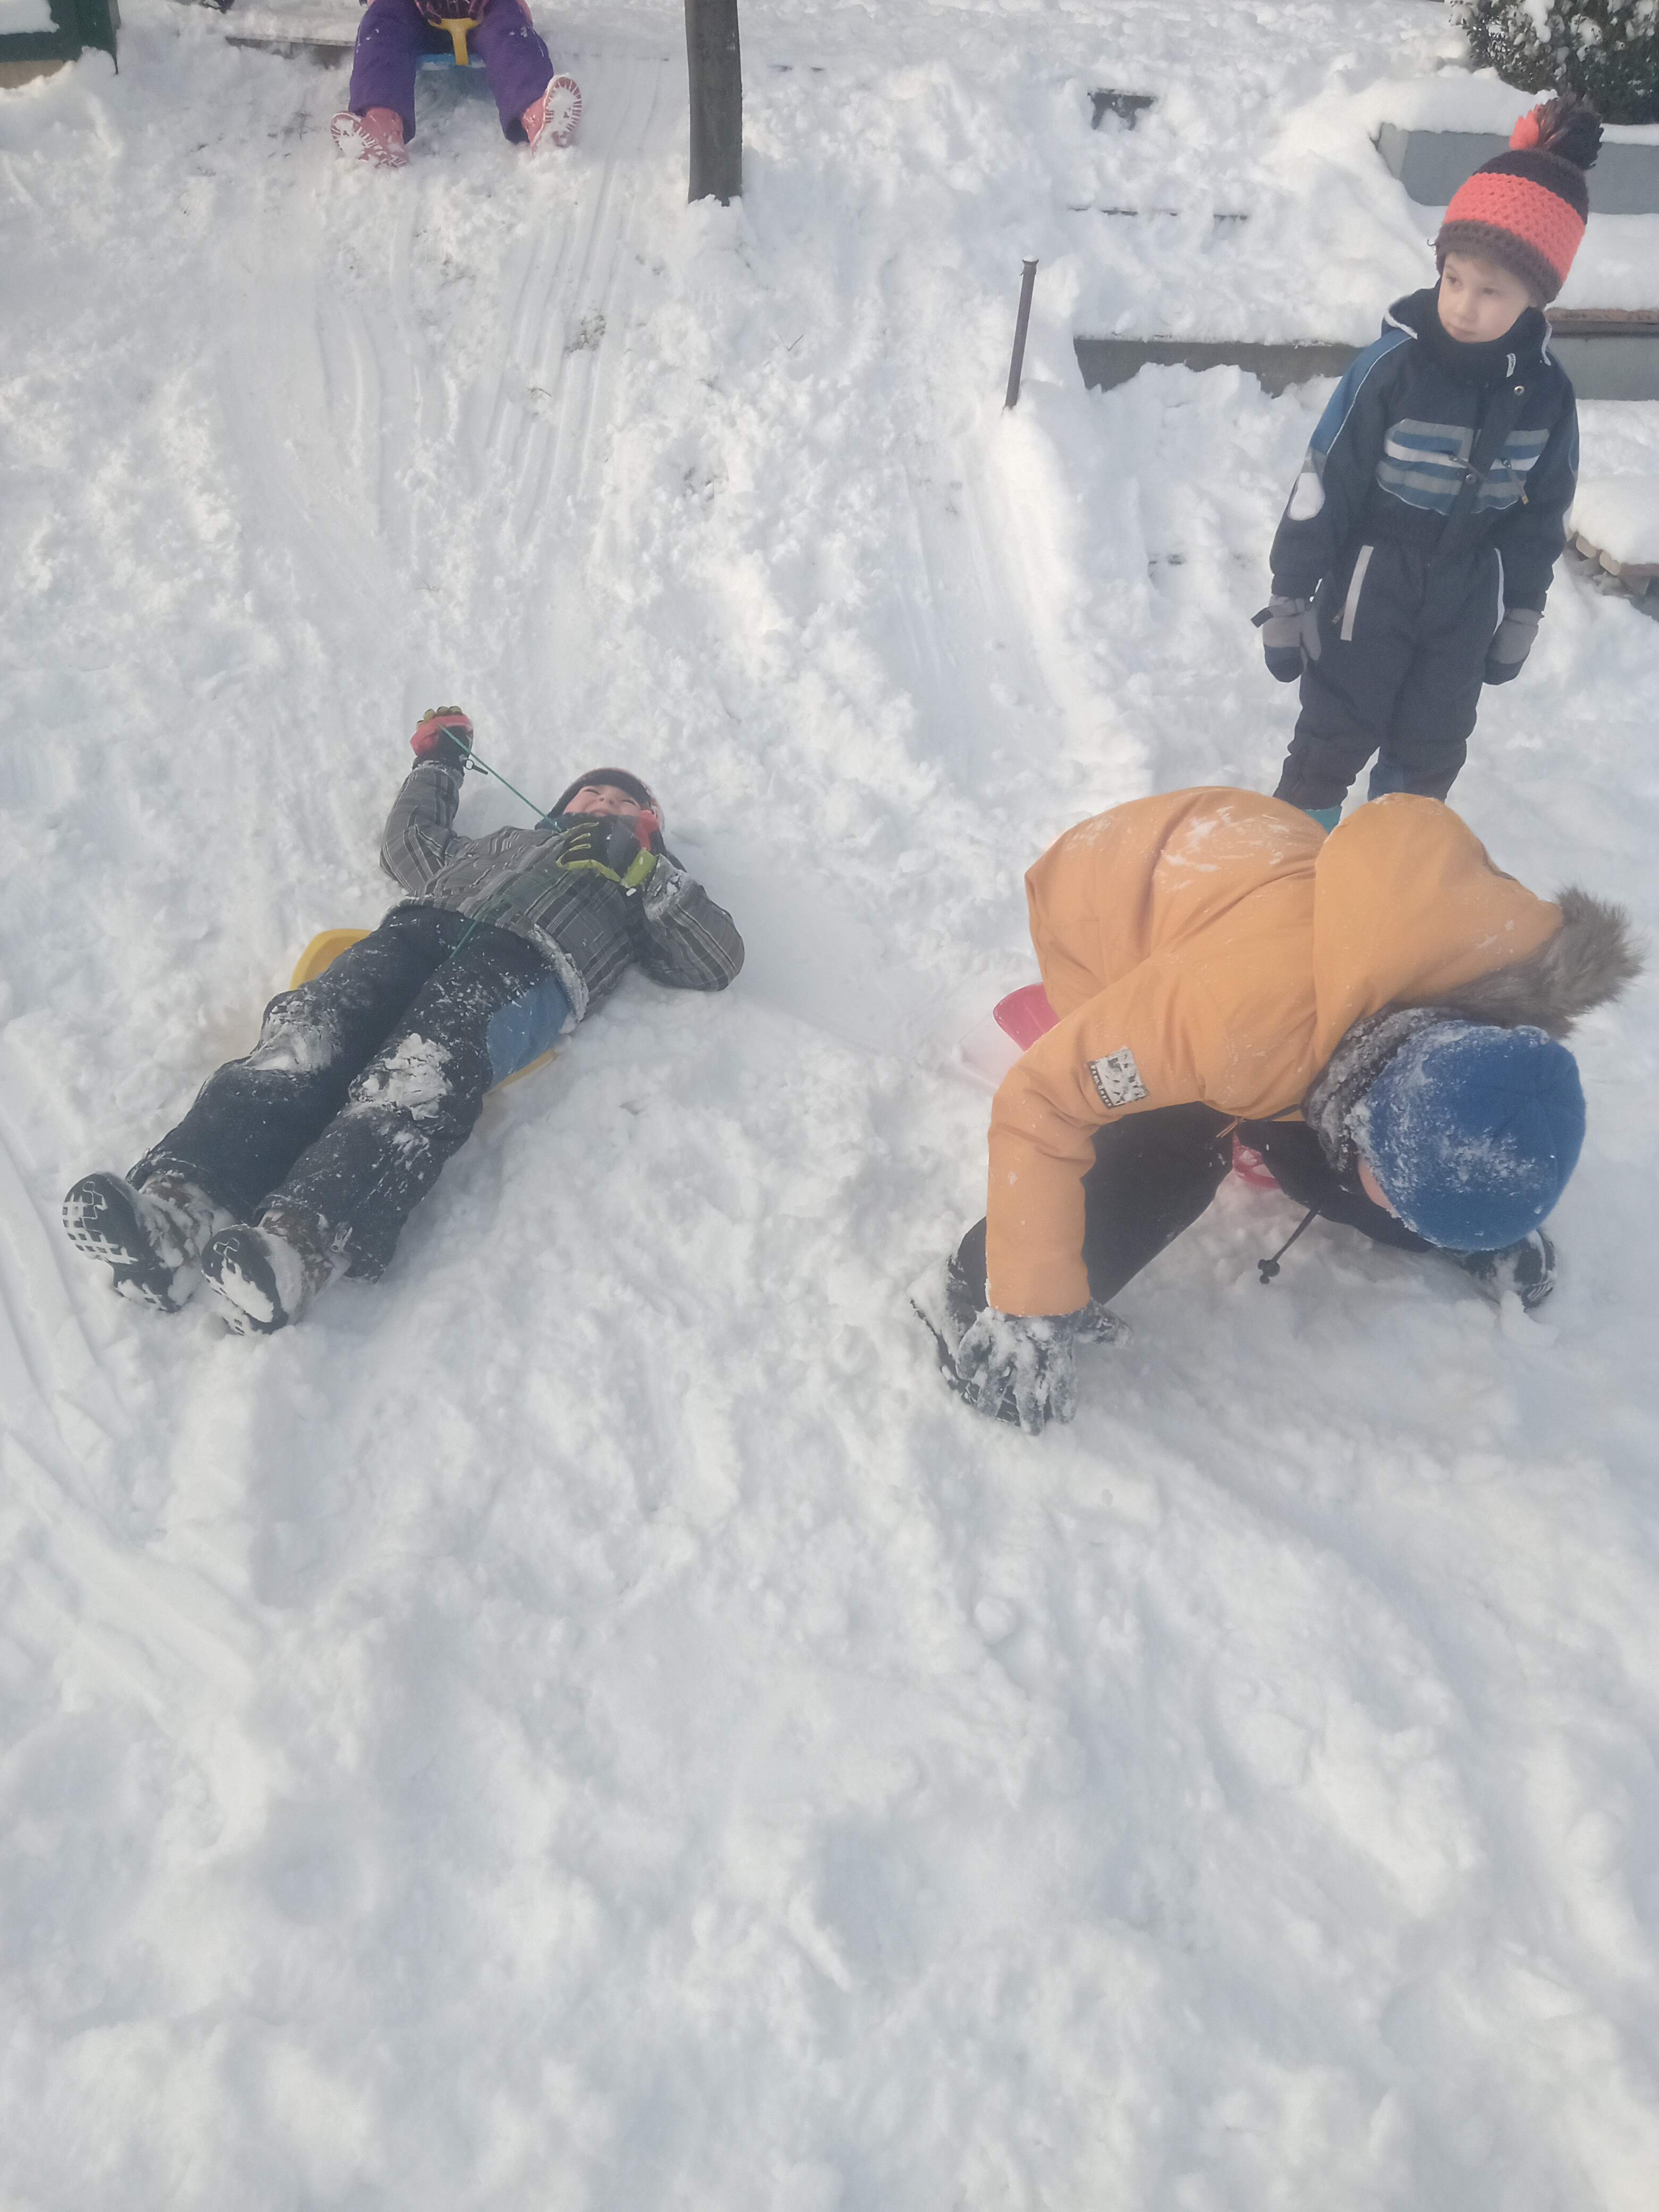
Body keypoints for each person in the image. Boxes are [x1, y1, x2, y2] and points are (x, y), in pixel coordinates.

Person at [920, 787, 1638, 1435]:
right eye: (1405, 1201)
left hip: (1264, 878)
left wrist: (1469, 1192)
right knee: (1175, 1155)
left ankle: (1430, 1197)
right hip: (1110, 896)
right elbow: (1044, 1097)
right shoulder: (1229, 1026)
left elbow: (1468, 1112)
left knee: (1320, 1154)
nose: (1398, 1210)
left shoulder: (1499, 982)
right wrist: (1030, 1297)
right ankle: (971, 1291)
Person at [62, 711, 743, 1335]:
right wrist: (439, 763)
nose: (605, 804)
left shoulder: (637, 887)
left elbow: (714, 961)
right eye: (592, 794)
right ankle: (178, 1211)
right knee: (307, 1037)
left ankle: (300, 1244)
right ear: (562, 808)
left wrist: (648, 876)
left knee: (421, 1071)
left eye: (626, 803)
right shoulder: (505, 842)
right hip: (414, 933)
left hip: (526, 967)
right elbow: (409, 845)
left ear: (649, 826)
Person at [1258, 96, 1600, 830]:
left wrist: (1523, 609)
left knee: (1431, 751)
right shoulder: (1392, 368)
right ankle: (1294, 862)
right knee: (1332, 732)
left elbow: (1541, 515)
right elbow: (1326, 481)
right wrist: (1290, 593)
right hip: (1369, 584)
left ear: (1536, 298)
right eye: (1454, 279)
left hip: (1466, 599)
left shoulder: (1548, 398)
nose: (1464, 306)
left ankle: (1394, 870)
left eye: (1491, 290)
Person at [331, 0, 581, 169]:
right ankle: (382, 122)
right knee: (382, 28)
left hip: (483, 8)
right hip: (409, 10)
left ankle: (538, 115)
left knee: (509, 31)